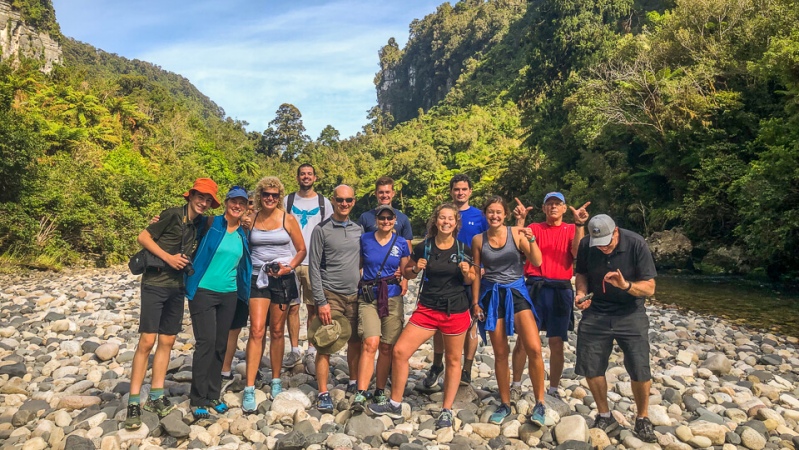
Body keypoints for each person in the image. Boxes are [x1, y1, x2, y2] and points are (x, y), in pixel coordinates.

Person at [369, 203, 477, 430]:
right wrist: (416, 269)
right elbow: (406, 272)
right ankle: (395, 404)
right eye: (442, 218)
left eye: (451, 219)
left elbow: (472, 279)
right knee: (400, 351)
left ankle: (446, 410)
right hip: (427, 309)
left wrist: (467, 273)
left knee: (454, 360)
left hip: (455, 310)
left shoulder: (463, 248)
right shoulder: (424, 247)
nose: (446, 222)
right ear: (436, 221)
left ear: (456, 223)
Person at [124, 178, 218, 430]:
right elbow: (143, 236)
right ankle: (134, 401)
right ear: (191, 195)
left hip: (177, 288)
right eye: (201, 197)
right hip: (155, 284)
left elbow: (227, 220)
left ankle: (156, 395)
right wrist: (168, 257)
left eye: (208, 200)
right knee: (146, 341)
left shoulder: (201, 223)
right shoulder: (171, 215)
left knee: (167, 341)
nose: (203, 202)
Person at [574, 214, 657, 442]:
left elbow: (650, 288)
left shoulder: (636, 243)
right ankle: (604, 414)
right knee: (590, 364)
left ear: (616, 232)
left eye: (607, 243)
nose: (603, 249)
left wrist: (626, 285)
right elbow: (580, 272)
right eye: (598, 245)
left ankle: (642, 418)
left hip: (630, 312)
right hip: (596, 311)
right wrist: (581, 293)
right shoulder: (586, 244)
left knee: (640, 366)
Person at [472, 196, 547, 425]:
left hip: (516, 292)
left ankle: (540, 403)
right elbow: (476, 272)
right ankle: (505, 403)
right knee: (501, 352)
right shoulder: (478, 239)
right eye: (490, 212)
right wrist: (475, 302)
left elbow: (537, 260)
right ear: (486, 214)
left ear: (505, 215)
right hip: (492, 296)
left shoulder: (516, 233)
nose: (494, 216)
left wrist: (532, 240)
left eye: (498, 212)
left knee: (534, 347)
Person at [510, 193, 589, 401]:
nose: (553, 207)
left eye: (557, 204)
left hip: (560, 288)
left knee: (556, 342)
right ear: (544, 209)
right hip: (535, 286)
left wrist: (580, 225)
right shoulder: (535, 228)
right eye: (549, 204)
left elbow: (577, 253)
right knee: (524, 340)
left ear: (564, 208)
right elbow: (517, 247)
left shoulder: (571, 229)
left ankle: (553, 388)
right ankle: (516, 384)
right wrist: (520, 221)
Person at [184, 186, 252, 419]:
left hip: (229, 294)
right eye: (234, 201)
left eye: (242, 203)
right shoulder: (210, 224)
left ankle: (213, 394)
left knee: (221, 344)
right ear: (226, 202)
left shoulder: (243, 232)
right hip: (203, 290)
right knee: (206, 342)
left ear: (245, 207)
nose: (237, 206)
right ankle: (197, 398)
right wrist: (158, 221)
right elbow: (183, 224)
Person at [243, 177, 307, 412]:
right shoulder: (252, 219)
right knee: (257, 329)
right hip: (257, 277)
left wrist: (289, 267)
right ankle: (249, 386)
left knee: (278, 331)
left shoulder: (287, 219)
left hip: (281, 276)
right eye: (266, 194)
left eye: (274, 195)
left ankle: (276, 379)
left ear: (279, 197)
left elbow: (301, 249)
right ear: (259, 196)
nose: (270, 198)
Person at [423, 174, 488, 389]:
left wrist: (484, 266)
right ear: (451, 191)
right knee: (440, 324)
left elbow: (490, 241)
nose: (460, 193)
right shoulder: (443, 215)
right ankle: (437, 364)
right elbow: (429, 242)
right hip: (443, 275)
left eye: (464, 189)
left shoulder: (479, 216)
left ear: (470, 191)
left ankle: (466, 369)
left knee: (471, 323)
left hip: (469, 275)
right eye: (456, 189)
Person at [350, 204, 411, 412]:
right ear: (376, 220)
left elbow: (406, 271)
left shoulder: (401, 242)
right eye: (382, 218)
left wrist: (415, 269)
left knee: (387, 345)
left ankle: (380, 389)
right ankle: (361, 390)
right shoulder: (365, 239)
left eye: (389, 218)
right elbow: (357, 263)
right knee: (370, 341)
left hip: (392, 296)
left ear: (395, 220)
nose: (386, 221)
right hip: (369, 295)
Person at [309, 185, 363, 412]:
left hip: (355, 294)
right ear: (333, 201)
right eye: (340, 200)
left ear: (353, 201)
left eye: (348, 200)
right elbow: (313, 267)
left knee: (355, 342)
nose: (344, 204)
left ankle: (353, 381)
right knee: (325, 343)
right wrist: (321, 301)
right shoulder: (321, 230)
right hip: (331, 294)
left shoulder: (358, 229)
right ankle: (323, 392)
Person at [282, 164, 332, 373]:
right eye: (302, 174)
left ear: (315, 177)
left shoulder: (324, 202)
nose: (306, 177)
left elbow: (329, 230)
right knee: (292, 307)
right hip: (291, 260)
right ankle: (294, 349)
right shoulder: (288, 201)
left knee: (313, 308)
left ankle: (311, 350)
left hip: (314, 262)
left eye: (309, 174)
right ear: (297, 177)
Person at [221, 192, 258, 391]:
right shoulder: (230, 225)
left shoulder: (259, 224)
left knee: (256, 328)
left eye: (252, 204)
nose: (250, 208)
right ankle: (223, 369)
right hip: (233, 281)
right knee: (230, 328)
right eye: (247, 204)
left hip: (253, 282)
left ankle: (252, 366)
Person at [357, 176, 413, 297]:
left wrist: (405, 279)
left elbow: (408, 250)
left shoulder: (402, 218)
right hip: (371, 279)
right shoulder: (365, 217)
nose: (384, 195)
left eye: (387, 192)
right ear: (376, 193)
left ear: (393, 193)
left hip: (394, 279)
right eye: (381, 192)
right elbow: (360, 250)